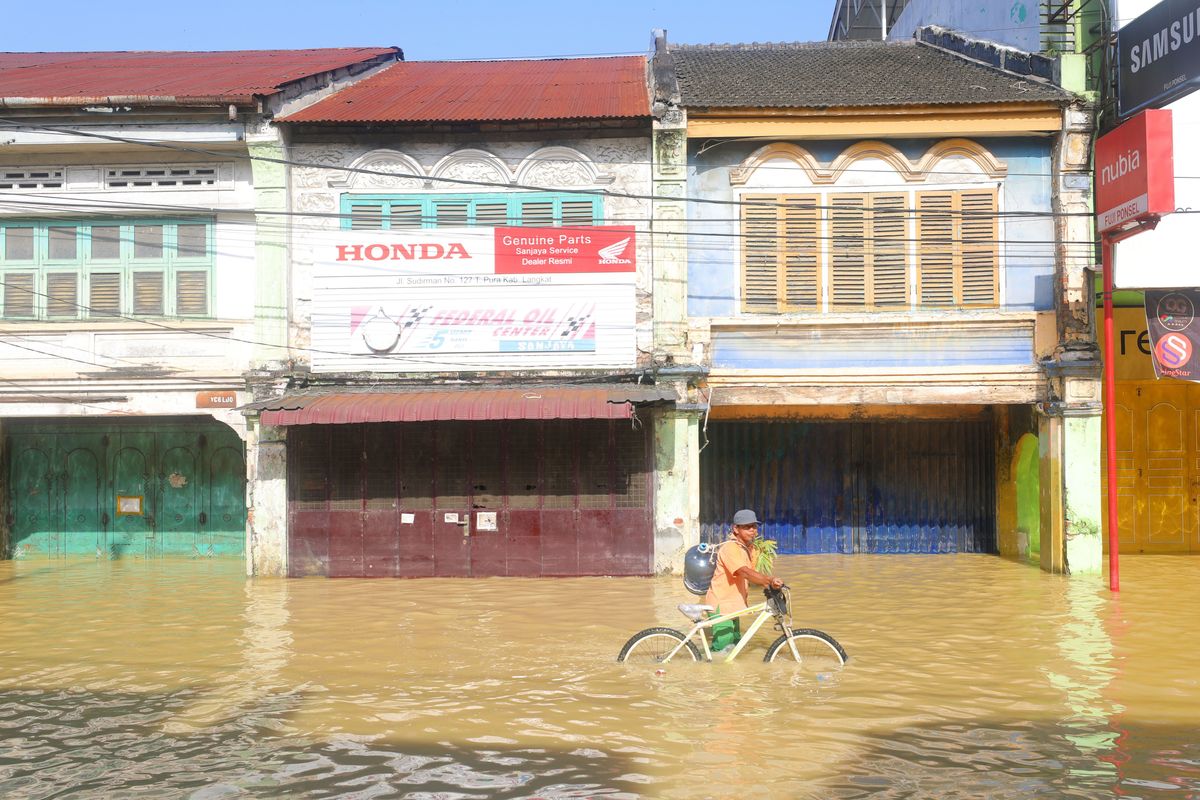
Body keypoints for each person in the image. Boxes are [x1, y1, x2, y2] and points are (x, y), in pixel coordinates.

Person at [704, 509, 784, 652]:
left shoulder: (749, 549)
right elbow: (744, 572)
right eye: (747, 527)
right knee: (721, 651)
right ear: (736, 529)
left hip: (734, 605)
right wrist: (768, 579)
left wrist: (770, 584)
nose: (752, 530)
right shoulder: (729, 548)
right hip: (721, 605)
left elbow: (752, 576)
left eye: (754, 526)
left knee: (733, 649)